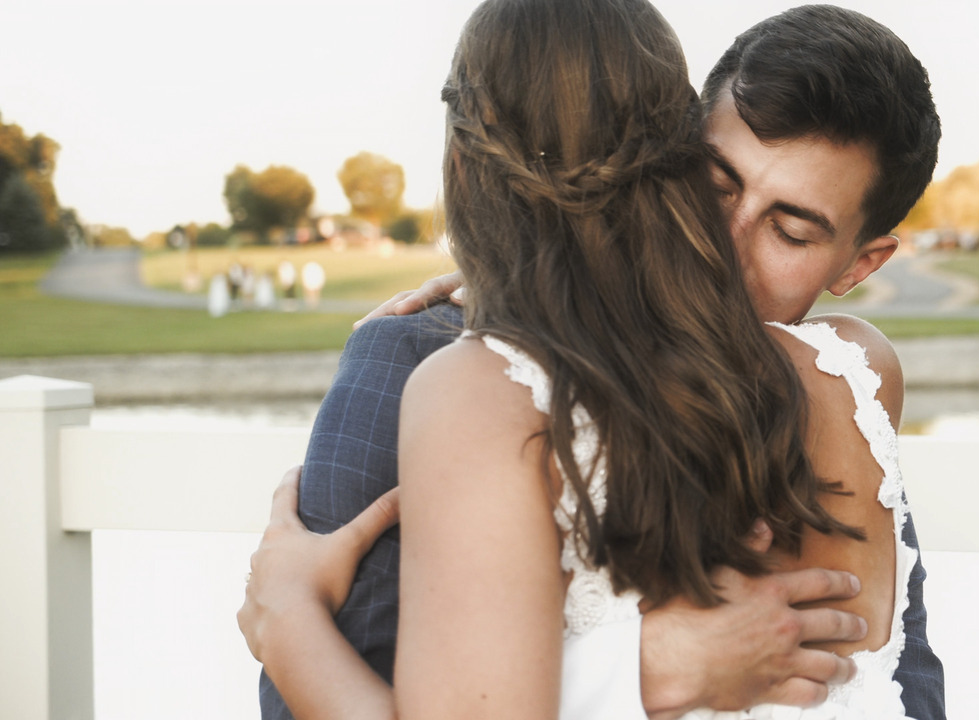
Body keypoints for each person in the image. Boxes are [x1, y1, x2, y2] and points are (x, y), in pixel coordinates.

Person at [242, 2, 943, 719]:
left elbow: (901, 687)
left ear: (859, 264)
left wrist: (284, 621)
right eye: (713, 185)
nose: (721, 243)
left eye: (790, 231)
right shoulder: (417, 353)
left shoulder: (846, 379)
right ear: (663, 158)